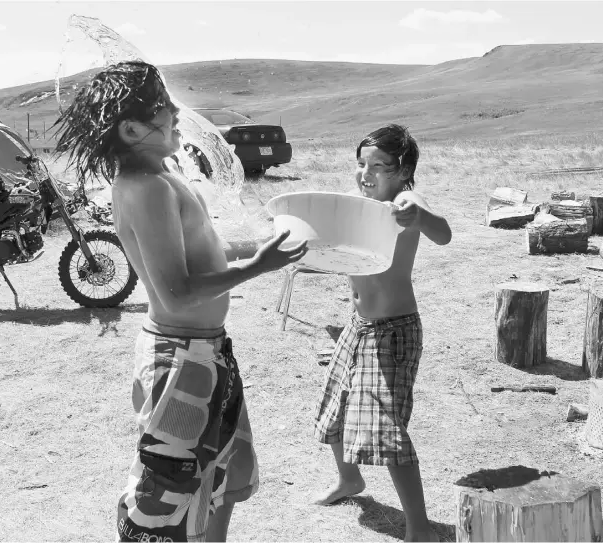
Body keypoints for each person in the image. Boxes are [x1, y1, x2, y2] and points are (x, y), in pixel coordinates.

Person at [53, 60, 308, 542]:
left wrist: (268, 248)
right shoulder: (146, 188)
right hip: (180, 361)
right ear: (131, 128)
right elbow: (176, 290)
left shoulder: (162, 178)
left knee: (225, 476)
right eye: (162, 105)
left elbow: (204, 254)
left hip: (205, 352)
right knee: (164, 502)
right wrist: (258, 267)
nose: (176, 111)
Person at [312, 124, 451, 542]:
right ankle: (349, 480)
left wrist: (418, 215)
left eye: (378, 166)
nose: (365, 173)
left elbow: (442, 232)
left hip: (392, 331)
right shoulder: (358, 203)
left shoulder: (406, 201)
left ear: (403, 169)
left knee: (388, 430)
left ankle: (420, 528)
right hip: (357, 326)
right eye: (361, 164)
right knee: (335, 405)